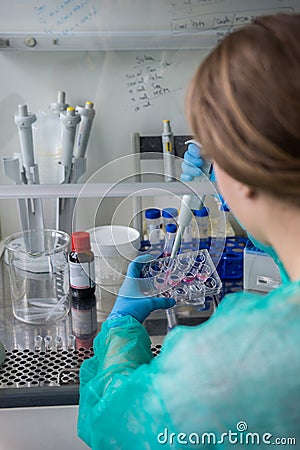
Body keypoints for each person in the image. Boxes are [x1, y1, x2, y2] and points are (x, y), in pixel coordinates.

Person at [78, 14, 300, 449]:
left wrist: (121, 327)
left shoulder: (228, 367)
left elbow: (119, 425)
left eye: (217, 158)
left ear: (244, 176)